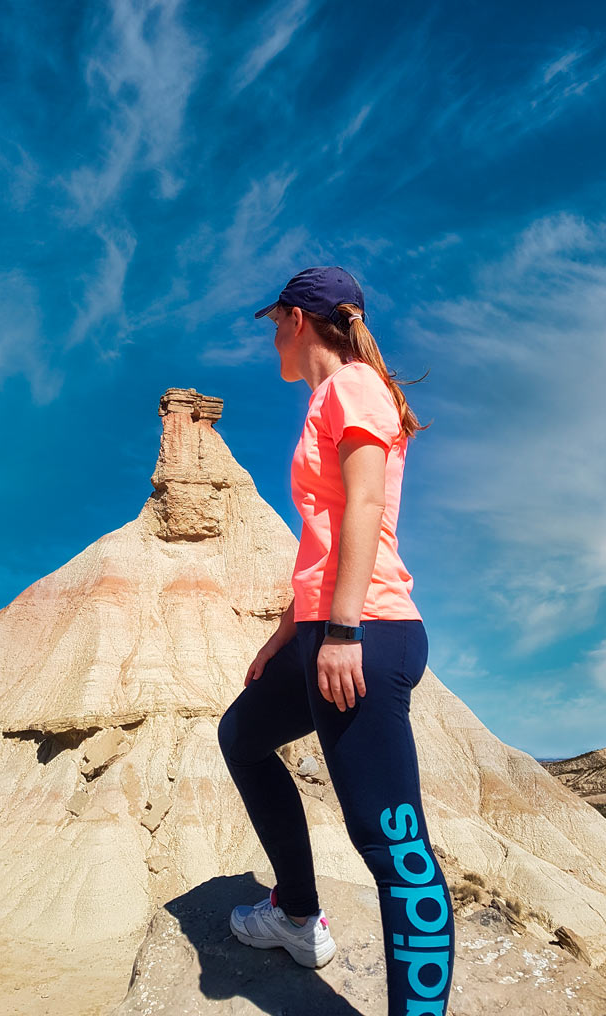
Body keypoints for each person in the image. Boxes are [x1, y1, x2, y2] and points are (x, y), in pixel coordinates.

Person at [217, 266, 455, 1014]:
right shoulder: (331, 396)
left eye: (270, 325)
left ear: (294, 319)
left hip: (365, 630)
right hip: (325, 627)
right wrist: (287, 633)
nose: (269, 341)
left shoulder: (352, 385)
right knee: (243, 736)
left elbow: (362, 506)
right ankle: (293, 915)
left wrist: (343, 630)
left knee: (392, 847)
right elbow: (320, 538)